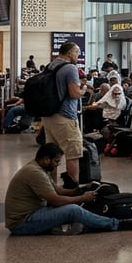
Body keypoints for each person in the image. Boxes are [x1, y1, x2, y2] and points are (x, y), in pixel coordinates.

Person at [6, 142, 132, 235]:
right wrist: (81, 198)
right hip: (22, 223)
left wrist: (80, 190)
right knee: (73, 210)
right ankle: (116, 225)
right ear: (46, 159)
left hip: (32, 214)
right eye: (56, 161)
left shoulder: (38, 168)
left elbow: (58, 190)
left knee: (74, 209)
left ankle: (85, 224)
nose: (57, 165)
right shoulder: (35, 173)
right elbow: (56, 200)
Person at [39, 42, 85, 184]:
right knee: (73, 154)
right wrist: (83, 90)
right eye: (77, 52)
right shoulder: (70, 68)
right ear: (69, 53)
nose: (78, 55)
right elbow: (73, 93)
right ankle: (72, 189)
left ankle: (52, 187)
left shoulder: (50, 66)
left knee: (53, 155)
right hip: (65, 117)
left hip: (49, 116)